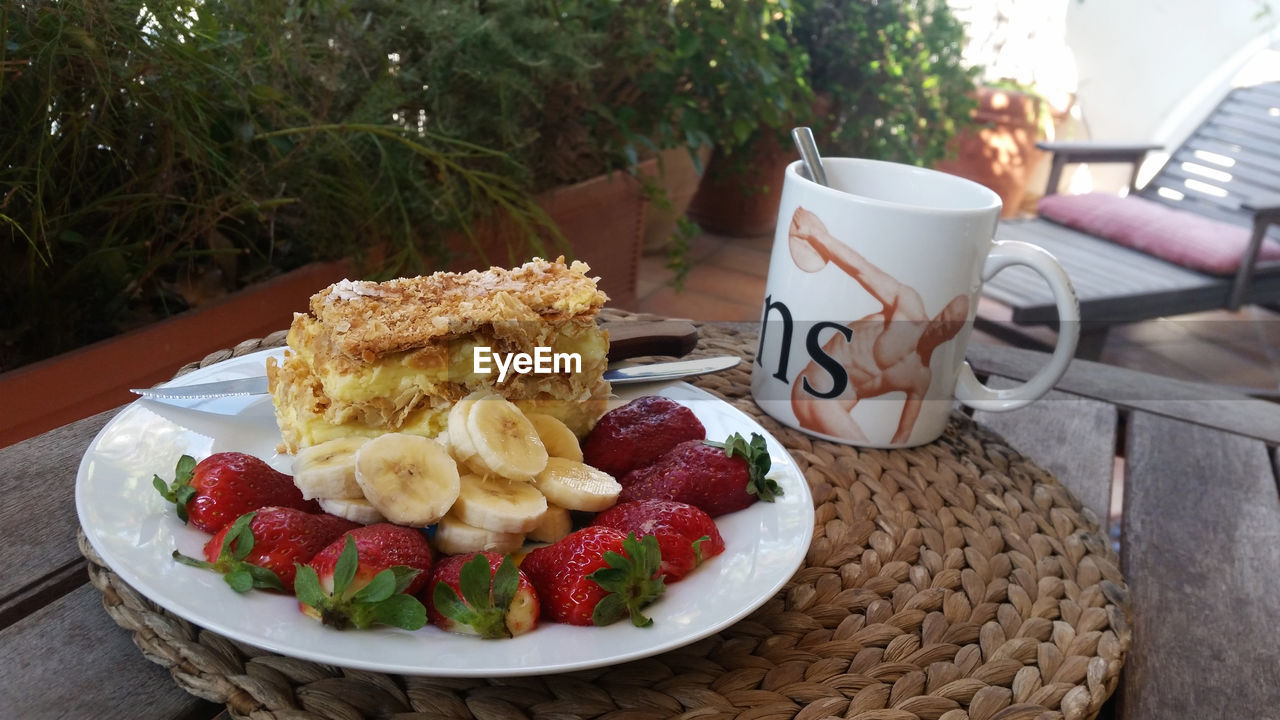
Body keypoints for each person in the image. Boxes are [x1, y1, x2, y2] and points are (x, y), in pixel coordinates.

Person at [787, 206, 970, 444]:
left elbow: (903, 435)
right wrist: (816, 234)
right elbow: (860, 269)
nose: (939, 327)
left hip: (836, 412)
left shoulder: (920, 377)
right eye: (943, 318)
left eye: (948, 328)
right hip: (814, 388)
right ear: (940, 312)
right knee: (860, 451)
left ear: (951, 336)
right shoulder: (908, 305)